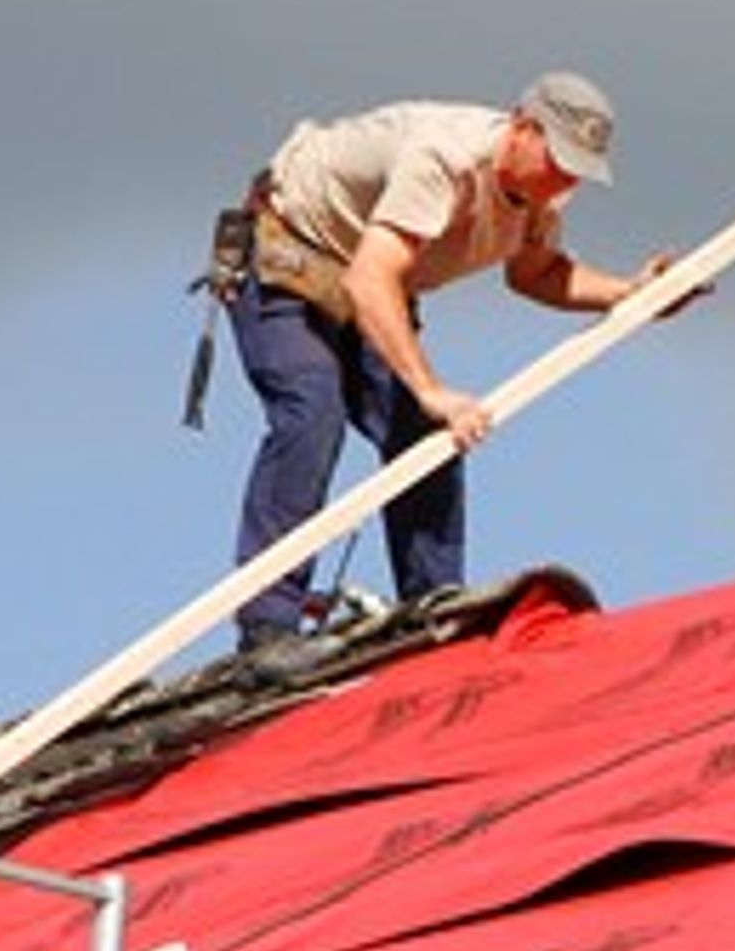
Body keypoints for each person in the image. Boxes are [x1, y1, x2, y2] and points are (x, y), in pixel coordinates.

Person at [221, 72, 693, 657]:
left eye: (578, 171)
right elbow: (372, 280)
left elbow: (535, 274)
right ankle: (268, 626)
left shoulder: (540, 196)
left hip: (370, 275)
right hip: (290, 252)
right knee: (311, 412)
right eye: (560, 160)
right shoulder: (443, 158)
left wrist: (627, 293)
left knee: (424, 438)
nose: (565, 180)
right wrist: (429, 387)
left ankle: (433, 607)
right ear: (522, 129)